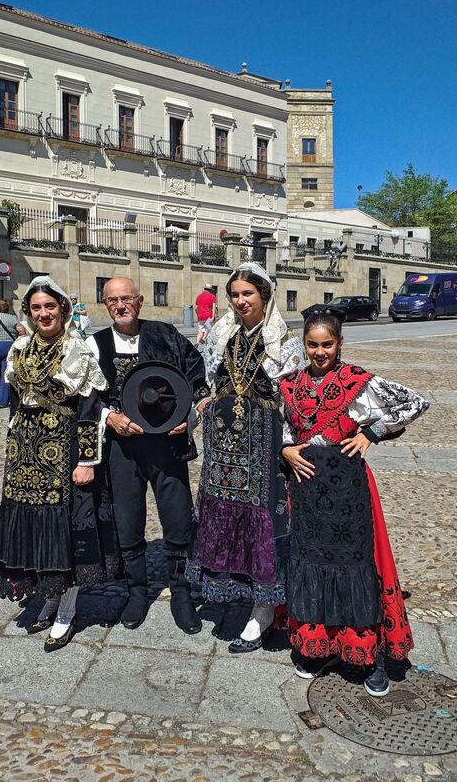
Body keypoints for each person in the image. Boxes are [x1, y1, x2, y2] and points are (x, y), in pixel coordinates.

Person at [280, 304, 429, 696]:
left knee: (357, 566)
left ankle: (368, 656)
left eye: (327, 344)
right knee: (312, 563)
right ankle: (320, 647)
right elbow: (282, 425)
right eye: (312, 345)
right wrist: (285, 449)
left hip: (348, 490)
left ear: (340, 342)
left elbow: (414, 402)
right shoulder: (291, 384)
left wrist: (370, 433)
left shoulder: (357, 381)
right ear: (304, 344)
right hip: (307, 490)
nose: (320, 352)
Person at [0, 276, 120, 652]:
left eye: (50, 306)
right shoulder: (20, 348)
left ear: (63, 309)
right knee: (36, 531)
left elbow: (90, 409)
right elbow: (16, 402)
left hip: (63, 451)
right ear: (28, 312)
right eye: (36, 308)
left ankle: (66, 610)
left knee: (65, 531)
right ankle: (49, 596)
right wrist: (14, 444)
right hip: (25, 454)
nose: (43, 313)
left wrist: (87, 460)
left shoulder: (77, 350)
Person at [186, 263, 305, 652]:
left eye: (247, 294)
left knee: (263, 520)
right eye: (234, 295)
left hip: (264, 447)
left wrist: (287, 445)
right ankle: (234, 589)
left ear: (264, 296)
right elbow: (208, 382)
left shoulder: (284, 342)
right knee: (223, 513)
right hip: (223, 445)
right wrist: (202, 405)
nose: (240, 301)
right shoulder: (223, 334)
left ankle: (263, 610)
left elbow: (294, 402)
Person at [86, 276, 209, 634]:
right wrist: (110, 417)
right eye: (112, 300)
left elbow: (196, 379)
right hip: (122, 448)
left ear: (139, 301)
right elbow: (86, 395)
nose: (120, 306)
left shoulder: (165, 335)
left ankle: (182, 593)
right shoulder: (95, 344)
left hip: (167, 444)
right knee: (127, 520)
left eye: (126, 299)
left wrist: (188, 416)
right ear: (105, 305)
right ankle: (137, 591)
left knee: (178, 518)